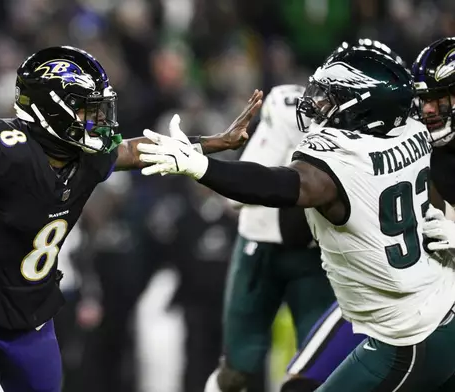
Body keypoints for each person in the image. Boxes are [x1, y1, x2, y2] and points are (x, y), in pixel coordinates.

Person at [0, 46, 261, 392]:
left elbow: (138, 150)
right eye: (86, 110)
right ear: (50, 111)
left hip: (32, 316)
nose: (100, 121)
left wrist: (212, 144)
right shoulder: (5, 150)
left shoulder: (91, 156)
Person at [137, 45, 455, 390]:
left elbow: (277, 184)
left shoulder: (345, 161)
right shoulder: (415, 134)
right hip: (431, 308)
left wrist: (201, 166)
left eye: (332, 98)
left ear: (365, 108)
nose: (316, 105)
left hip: (407, 330)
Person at [280, 37, 455, 392]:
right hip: (394, 305)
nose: (430, 110)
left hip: (435, 315)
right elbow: (292, 229)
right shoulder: (403, 134)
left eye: (442, 98)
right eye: (424, 99)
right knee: (301, 384)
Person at [203, 85, 335, 392]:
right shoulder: (287, 112)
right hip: (260, 248)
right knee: (236, 371)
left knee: (320, 367)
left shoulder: (352, 133)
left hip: (312, 254)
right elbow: (235, 199)